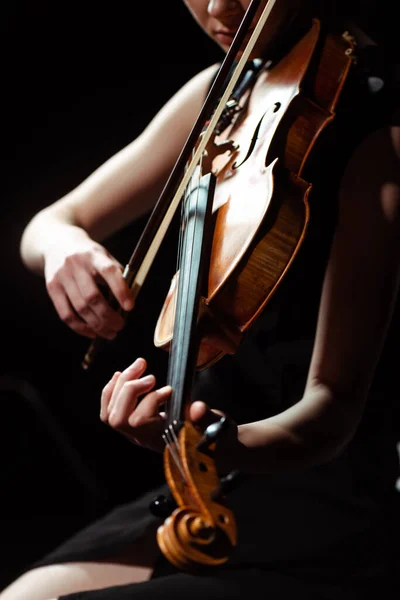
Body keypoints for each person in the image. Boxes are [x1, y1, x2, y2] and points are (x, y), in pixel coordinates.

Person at [2, 0, 400, 598]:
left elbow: (333, 407)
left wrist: (210, 440)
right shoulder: (226, 94)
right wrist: (65, 246)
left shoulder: (377, 126)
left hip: (328, 508)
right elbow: (51, 223)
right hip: (216, 485)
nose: (216, 7)